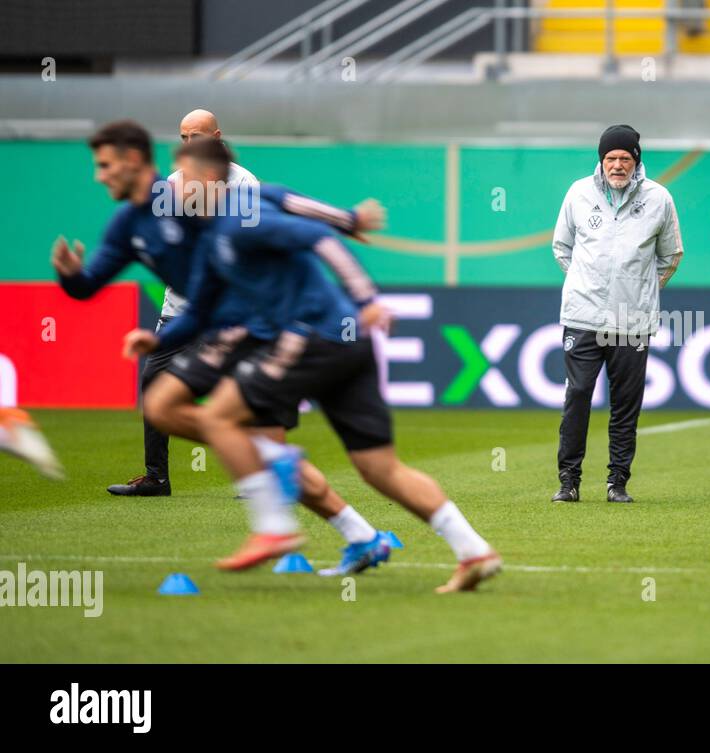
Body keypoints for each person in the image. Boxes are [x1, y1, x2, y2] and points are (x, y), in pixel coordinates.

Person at [125, 138, 501, 591]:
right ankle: (473, 550)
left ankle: (274, 522)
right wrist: (159, 338)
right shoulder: (229, 220)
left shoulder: (240, 221)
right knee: (380, 468)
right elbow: (206, 304)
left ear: (205, 180)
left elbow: (320, 239)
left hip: (313, 338)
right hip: (347, 343)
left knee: (215, 415)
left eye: (179, 176)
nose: (171, 185)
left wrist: (366, 298)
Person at [54, 120, 392, 575]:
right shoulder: (134, 218)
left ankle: (283, 509)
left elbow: (280, 205)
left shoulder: (209, 189)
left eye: (104, 165)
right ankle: (342, 523)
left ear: (133, 161)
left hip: (246, 321)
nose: (98, 175)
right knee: (161, 402)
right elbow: (88, 285)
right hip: (192, 318)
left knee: (224, 418)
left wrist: (345, 221)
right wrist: (72, 276)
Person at [105, 109, 258, 497]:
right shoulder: (170, 185)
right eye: (184, 137)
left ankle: (255, 476)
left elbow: (248, 249)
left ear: (218, 137)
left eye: (197, 137)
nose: (189, 144)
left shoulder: (244, 185)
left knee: (239, 391)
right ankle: (156, 477)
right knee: (154, 385)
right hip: (179, 311)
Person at [550, 125, 683, 504]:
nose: (618, 164)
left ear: (636, 160)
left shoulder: (659, 198)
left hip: (632, 320)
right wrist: (586, 283)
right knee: (577, 395)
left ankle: (617, 482)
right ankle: (568, 480)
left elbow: (670, 255)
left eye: (625, 157)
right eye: (611, 158)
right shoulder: (579, 193)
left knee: (626, 403)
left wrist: (640, 291)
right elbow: (562, 247)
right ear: (601, 160)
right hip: (583, 315)